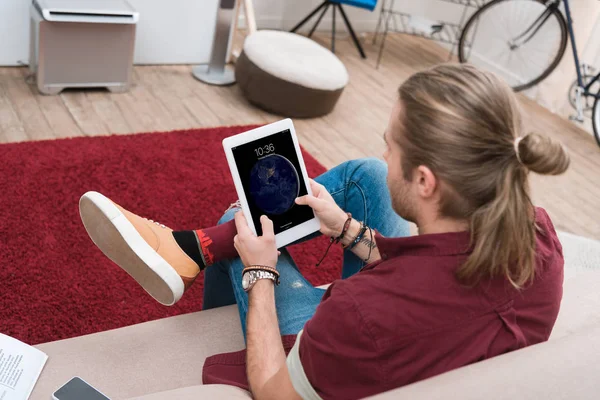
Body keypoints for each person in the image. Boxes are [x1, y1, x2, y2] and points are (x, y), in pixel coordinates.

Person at [79, 63, 570, 400]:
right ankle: (192, 250)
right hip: (427, 326)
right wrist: (348, 230)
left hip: (351, 349)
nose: (386, 153)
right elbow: (437, 274)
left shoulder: (359, 313)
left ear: (425, 181)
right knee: (367, 178)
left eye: (392, 146)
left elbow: (277, 391)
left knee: (242, 222)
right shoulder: (540, 238)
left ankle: (200, 251)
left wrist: (260, 273)